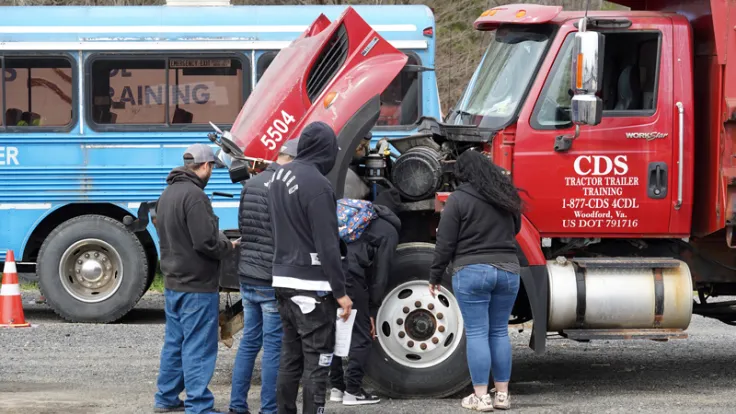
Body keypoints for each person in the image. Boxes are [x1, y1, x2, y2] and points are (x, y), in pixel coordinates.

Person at [267, 121, 353, 414]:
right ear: (325, 149)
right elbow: (327, 243)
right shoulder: (317, 184)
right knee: (318, 361)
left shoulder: (279, 177)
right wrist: (340, 292)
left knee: (290, 358)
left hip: (282, 279)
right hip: (312, 286)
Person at [428, 150, 523, 412]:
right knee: (500, 331)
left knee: (478, 332)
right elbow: (515, 229)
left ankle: (481, 398)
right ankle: (503, 395)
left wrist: (435, 276)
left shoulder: (458, 200)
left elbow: (445, 242)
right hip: (507, 270)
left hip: (471, 271)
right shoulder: (505, 196)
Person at [153, 143, 237, 414]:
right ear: (205, 166)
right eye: (212, 166)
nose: (212, 171)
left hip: (174, 281)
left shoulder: (168, 193)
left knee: (175, 343)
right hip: (197, 285)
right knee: (199, 346)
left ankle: (166, 398)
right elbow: (206, 242)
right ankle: (199, 406)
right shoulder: (196, 197)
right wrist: (229, 247)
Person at [228, 139, 298, 414]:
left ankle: (237, 405)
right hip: (271, 277)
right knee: (272, 348)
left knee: (248, 344)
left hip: (247, 275)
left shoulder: (251, 184)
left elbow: (243, 226)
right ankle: (268, 409)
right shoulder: (285, 187)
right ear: (290, 160)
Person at [329, 188, 401, 405]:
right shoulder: (388, 230)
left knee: (335, 330)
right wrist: (373, 307)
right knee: (361, 335)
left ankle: (336, 387)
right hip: (353, 278)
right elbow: (381, 272)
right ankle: (353, 391)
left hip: (332, 273)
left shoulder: (358, 215)